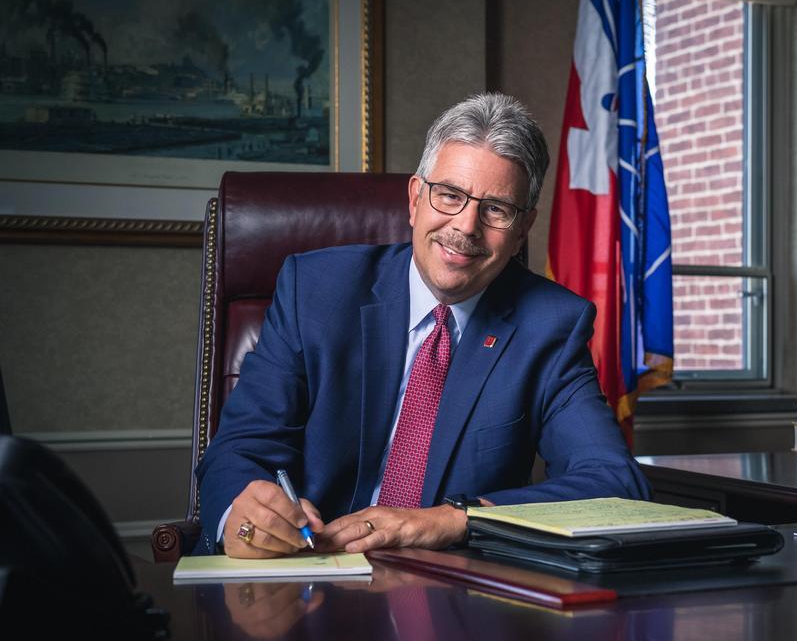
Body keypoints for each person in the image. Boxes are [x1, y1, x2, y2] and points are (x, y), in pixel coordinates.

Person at [195, 93, 650, 558]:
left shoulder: (551, 326)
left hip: (446, 584)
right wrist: (242, 515)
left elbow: (613, 483)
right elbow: (238, 452)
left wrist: (453, 520)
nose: (466, 227)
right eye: (449, 195)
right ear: (415, 199)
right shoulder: (314, 290)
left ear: (522, 230)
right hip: (305, 567)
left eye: (496, 209)